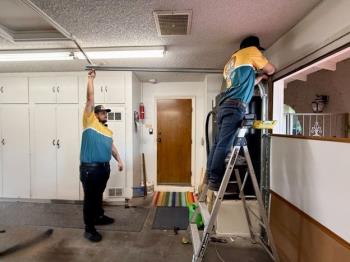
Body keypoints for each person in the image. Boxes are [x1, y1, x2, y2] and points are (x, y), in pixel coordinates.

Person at [207, 36, 275, 191]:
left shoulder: (230, 63)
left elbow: (244, 85)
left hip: (224, 105)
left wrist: (258, 77)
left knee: (217, 144)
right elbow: (271, 69)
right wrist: (264, 72)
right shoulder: (251, 52)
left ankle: (210, 177)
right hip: (235, 107)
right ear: (253, 48)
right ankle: (215, 180)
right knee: (224, 145)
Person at [80, 69, 124, 242]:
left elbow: (111, 147)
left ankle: (99, 216)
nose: (105, 114)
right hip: (90, 169)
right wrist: (90, 79)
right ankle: (89, 228)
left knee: (98, 195)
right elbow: (90, 99)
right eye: (103, 112)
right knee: (90, 198)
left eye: (106, 112)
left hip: (104, 168)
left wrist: (119, 160)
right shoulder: (89, 121)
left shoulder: (107, 130)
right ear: (95, 114)